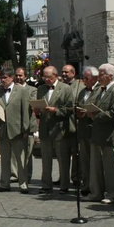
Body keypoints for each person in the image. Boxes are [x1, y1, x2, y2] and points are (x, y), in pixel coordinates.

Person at [86, 63, 114, 204]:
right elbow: (91, 102)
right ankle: (96, 192)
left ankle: (113, 194)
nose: (99, 77)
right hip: (97, 133)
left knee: (110, 167)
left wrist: (97, 115)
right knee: (95, 165)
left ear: (110, 76)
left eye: (102, 74)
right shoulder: (98, 89)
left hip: (109, 134)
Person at [35, 66, 74, 194]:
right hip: (45, 128)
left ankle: (64, 185)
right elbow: (39, 104)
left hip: (59, 129)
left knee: (63, 159)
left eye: (49, 78)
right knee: (45, 159)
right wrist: (37, 111)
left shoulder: (66, 88)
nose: (46, 80)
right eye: (44, 77)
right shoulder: (40, 89)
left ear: (56, 76)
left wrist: (56, 110)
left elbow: (70, 109)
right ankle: (46, 185)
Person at [0, 68, 31, 192]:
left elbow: (25, 111)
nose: (2, 80)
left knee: (20, 159)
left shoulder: (22, 90)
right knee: (5, 159)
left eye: (4, 77)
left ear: (11, 77)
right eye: (1, 78)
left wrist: (25, 129)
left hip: (17, 129)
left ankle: (23, 184)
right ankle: (4, 184)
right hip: (3, 129)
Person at [74, 66, 100, 196]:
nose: (84, 80)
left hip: (95, 129)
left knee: (95, 161)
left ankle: (96, 186)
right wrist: (79, 111)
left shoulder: (100, 90)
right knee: (84, 160)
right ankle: (86, 184)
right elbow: (78, 104)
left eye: (86, 78)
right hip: (83, 129)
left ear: (95, 78)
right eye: (83, 78)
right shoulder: (83, 91)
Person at [14, 67, 38, 187]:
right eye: (17, 75)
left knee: (28, 154)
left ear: (25, 77)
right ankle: (16, 176)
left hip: (28, 126)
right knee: (16, 154)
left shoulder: (32, 90)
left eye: (21, 76)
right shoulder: (11, 89)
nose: (18, 78)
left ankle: (27, 178)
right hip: (14, 126)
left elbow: (31, 104)